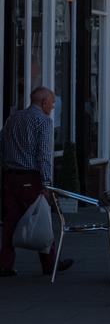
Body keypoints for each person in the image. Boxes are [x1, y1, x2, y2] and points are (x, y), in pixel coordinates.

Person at [1, 87, 71, 277]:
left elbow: (2, 144)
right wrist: (47, 183)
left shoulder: (13, 118)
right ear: (43, 102)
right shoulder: (43, 121)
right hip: (30, 177)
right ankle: (50, 263)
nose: (53, 106)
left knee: (10, 221)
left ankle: (5, 264)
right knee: (42, 217)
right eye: (52, 103)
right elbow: (44, 155)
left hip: (10, 176)